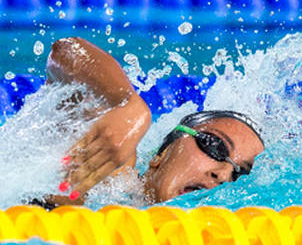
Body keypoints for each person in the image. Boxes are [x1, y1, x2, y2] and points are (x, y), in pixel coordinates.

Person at [36, 37, 265, 207]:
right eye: (215, 146)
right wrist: (127, 104)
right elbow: (65, 52)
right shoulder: (113, 180)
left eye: (240, 174)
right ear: (160, 155)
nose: (224, 175)